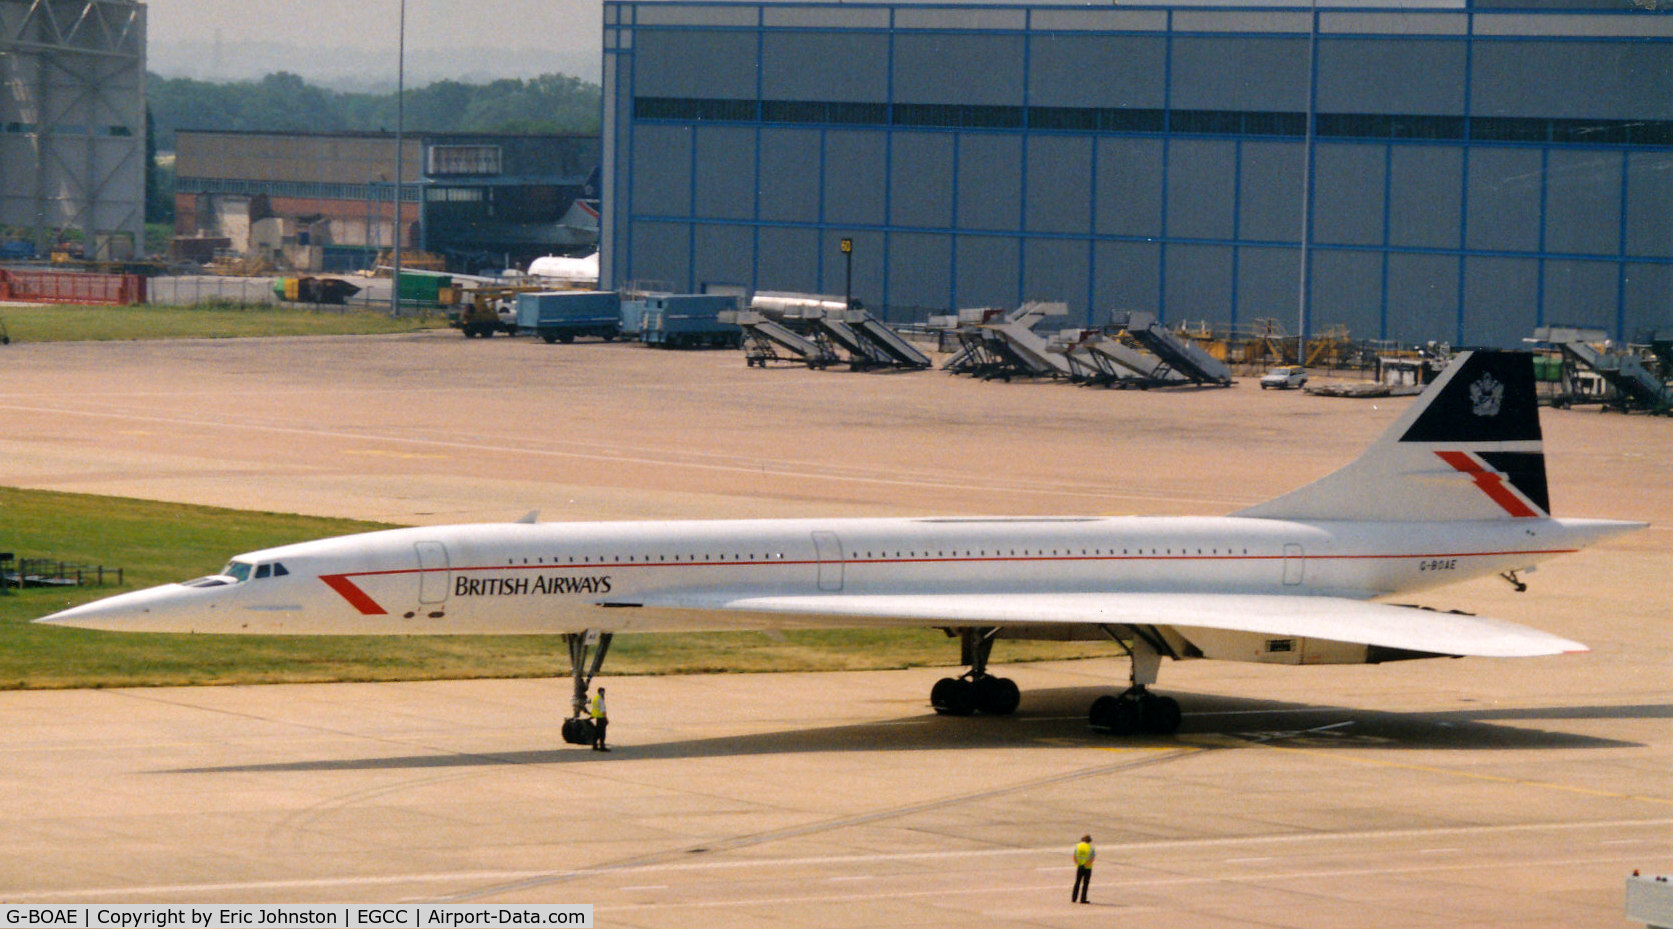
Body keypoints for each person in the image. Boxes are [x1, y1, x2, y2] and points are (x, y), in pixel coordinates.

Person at [1071, 834, 1094, 903]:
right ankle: (1083, 899)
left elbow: (1074, 856)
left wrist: (1078, 864)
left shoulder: (1077, 846)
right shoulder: (1091, 848)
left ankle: (1074, 898)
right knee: (1085, 884)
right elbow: (1092, 859)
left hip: (1079, 867)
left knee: (1077, 882)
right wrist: (1086, 865)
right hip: (1087, 868)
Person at [590, 686, 609, 752]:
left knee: (597, 732)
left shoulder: (595, 698)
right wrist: (606, 718)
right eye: (603, 692)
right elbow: (602, 710)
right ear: (601, 692)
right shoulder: (600, 699)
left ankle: (594, 745)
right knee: (602, 733)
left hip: (597, 717)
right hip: (601, 718)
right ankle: (602, 746)